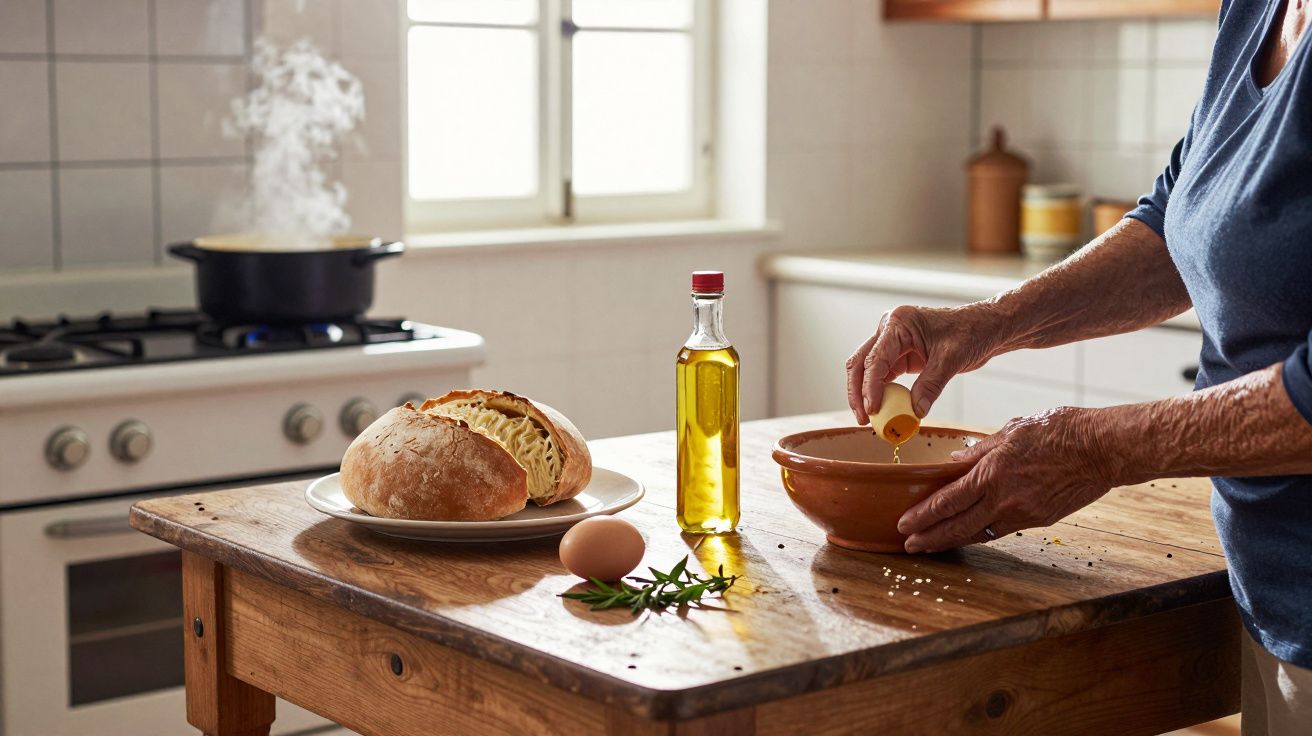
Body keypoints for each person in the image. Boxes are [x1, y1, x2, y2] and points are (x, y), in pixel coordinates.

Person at [844, 1, 1312, 732]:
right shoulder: (1256, 9)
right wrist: (986, 323)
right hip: (1272, 591)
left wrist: (1095, 447)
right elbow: (1179, 223)